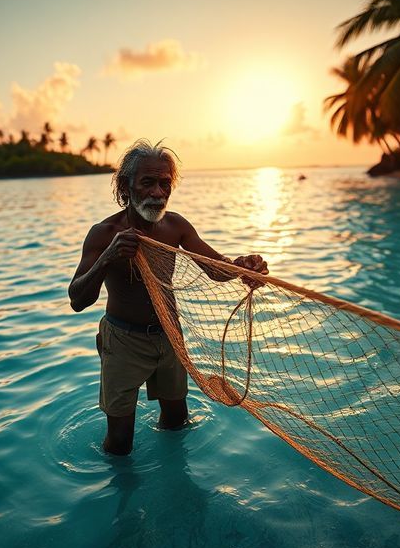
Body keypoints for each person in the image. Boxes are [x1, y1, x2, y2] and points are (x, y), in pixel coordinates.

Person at [68, 139, 268, 455]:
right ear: (126, 186)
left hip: (169, 338)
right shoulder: (104, 234)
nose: (158, 193)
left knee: (176, 422)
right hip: (123, 342)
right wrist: (108, 257)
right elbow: (77, 300)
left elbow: (216, 269)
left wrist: (244, 267)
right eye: (147, 183)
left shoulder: (175, 226)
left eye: (165, 184)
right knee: (120, 442)